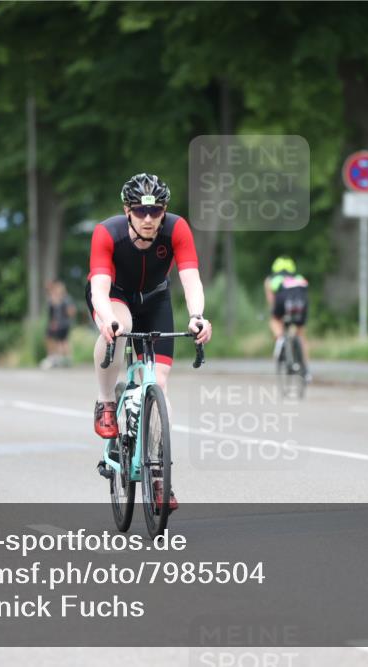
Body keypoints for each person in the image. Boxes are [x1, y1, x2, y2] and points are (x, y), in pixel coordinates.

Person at [87, 173, 212, 511]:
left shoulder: (177, 229)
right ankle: (105, 402)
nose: (148, 219)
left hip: (156, 300)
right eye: (140, 212)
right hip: (115, 297)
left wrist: (198, 316)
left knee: (159, 382)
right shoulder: (107, 232)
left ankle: (158, 477)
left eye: (155, 212)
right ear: (126, 210)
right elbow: (99, 287)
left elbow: (190, 280)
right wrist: (107, 320)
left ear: (164, 211)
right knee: (121, 326)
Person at [264, 256, 310, 381]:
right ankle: (306, 370)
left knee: (275, 321)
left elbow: (272, 302)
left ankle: (280, 341)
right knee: (301, 335)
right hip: (301, 303)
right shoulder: (298, 278)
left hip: (282, 301)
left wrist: (276, 314)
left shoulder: (271, 280)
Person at [44, 280, 76, 368]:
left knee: (62, 341)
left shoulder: (66, 299)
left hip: (63, 324)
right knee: (57, 341)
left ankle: (65, 359)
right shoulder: (54, 298)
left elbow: (71, 311)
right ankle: (58, 358)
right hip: (57, 324)